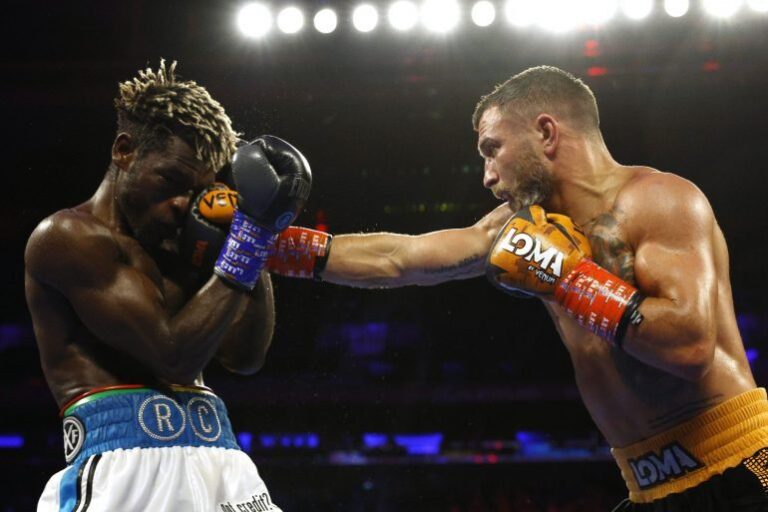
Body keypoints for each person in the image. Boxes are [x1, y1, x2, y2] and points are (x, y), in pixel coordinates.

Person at [263, 66, 768, 510]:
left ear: (545, 132)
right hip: (649, 488)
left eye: (492, 149)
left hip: (741, 464)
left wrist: (568, 278)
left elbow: (690, 344)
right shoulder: (521, 227)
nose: (486, 175)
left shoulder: (659, 199)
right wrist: (266, 245)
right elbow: (402, 259)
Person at [25, 60, 311, 511]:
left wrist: (254, 229)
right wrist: (246, 243)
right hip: (125, 472)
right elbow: (172, 356)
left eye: (197, 189)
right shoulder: (67, 238)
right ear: (124, 150)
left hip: (223, 462)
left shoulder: (187, 242)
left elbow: (245, 357)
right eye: (171, 180)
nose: (182, 204)